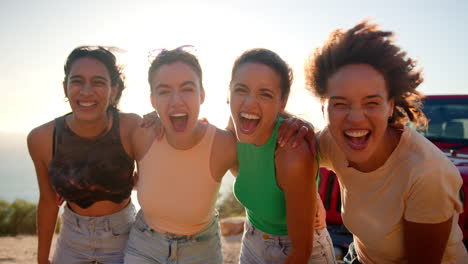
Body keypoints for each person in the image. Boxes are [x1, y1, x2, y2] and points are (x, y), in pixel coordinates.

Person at [304, 21, 468, 263]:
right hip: (360, 256)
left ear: (390, 105)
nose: (356, 119)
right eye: (340, 103)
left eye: (371, 102)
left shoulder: (427, 174)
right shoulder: (332, 140)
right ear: (323, 108)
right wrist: (295, 127)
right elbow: (290, 153)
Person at [27, 46, 141, 263]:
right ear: (65, 87)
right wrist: (42, 260)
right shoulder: (41, 139)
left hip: (124, 237)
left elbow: (158, 174)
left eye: (98, 82)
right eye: (77, 81)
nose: (86, 91)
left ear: (114, 90)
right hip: (71, 239)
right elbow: (48, 201)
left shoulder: (132, 127)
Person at [229, 48, 336, 264]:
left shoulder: (292, 152)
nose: (249, 103)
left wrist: (305, 192)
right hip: (252, 238)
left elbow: (300, 254)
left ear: (282, 102)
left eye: (265, 94)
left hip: (298, 253)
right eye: (241, 90)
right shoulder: (234, 127)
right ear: (229, 92)